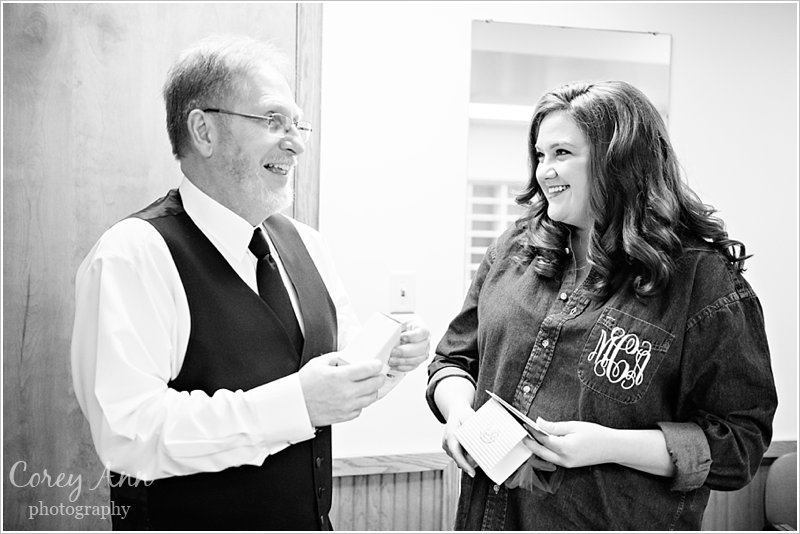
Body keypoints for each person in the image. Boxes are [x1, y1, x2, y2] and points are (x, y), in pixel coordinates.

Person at [70, 35, 430, 531]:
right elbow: (128, 433)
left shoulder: (308, 245)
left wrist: (387, 365)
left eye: (297, 124)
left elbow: (335, 378)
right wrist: (295, 405)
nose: (297, 141)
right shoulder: (134, 253)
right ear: (204, 130)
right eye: (273, 121)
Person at [426, 80, 777, 530]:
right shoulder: (513, 251)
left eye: (563, 154)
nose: (543, 172)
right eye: (540, 155)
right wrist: (458, 413)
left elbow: (740, 444)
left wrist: (610, 444)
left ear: (621, 161)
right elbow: (452, 360)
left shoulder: (701, 282)